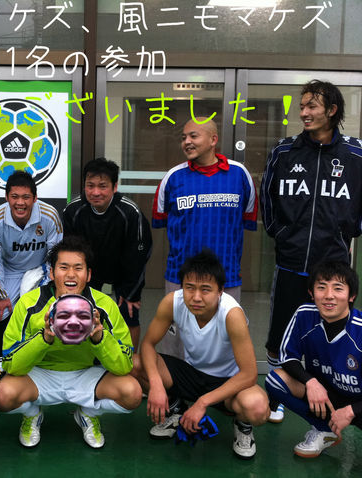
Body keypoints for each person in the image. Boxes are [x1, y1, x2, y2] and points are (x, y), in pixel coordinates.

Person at [260, 80, 362, 422]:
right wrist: (281, 233)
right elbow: (267, 198)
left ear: (331, 110)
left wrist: (348, 231)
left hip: (333, 268)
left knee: (333, 337)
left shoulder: (355, 154)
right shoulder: (284, 151)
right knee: (278, 336)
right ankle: (276, 397)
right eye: (302, 106)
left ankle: (334, 397)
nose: (304, 112)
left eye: (311, 106)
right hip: (291, 263)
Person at [0, 236, 141, 449]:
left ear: (88, 274)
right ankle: (32, 414)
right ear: (52, 273)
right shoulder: (29, 303)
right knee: (3, 396)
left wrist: (99, 339)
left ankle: (89, 414)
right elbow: (10, 363)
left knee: (132, 393)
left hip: (86, 375)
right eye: (63, 267)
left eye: (78, 268)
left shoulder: (104, 305)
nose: (71, 274)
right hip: (41, 375)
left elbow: (125, 365)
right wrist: (44, 338)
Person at [139, 250, 269, 459]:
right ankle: (176, 409)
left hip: (227, 382)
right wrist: (155, 385)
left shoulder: (231, 314)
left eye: (205, 289)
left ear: (220, 291)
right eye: (189, 287)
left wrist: (202, 403)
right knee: (136, 364)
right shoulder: (173, 302)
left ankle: (243, 425)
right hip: (191, 374)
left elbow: (249, 374)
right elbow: (147, 344)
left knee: (258, 408)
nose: (196, 297)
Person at [152, 118, 257, 358]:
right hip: (180, 276)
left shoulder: (240, 175)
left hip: (227, 276)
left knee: (226, 338)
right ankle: (174, 380)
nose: (187, 142)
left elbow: (247, 220)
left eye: (193, 136)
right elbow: (161, 220)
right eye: (183, 137)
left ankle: (222, 381)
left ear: (213, 139)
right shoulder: (173, 177)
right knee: (175, 340)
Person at [266, 261, 362, 458]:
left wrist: (351, 411)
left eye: (338, 288)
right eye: (321, 287)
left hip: (359, 403)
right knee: (276, 380)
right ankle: (324, 430)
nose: (329, 295)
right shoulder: (304, 315)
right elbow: (287, 357)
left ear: (351, 295)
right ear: (311, 293)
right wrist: (310, 382)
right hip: (326, 396)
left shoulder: (359, 328)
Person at [0, 170, 63, 390]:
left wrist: (49, 285)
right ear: (6, 197)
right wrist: (0, 295)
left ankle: (40, 365)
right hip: (10, 271)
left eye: (26, 197)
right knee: (2, 314)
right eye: (15, 197)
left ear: (35, 198)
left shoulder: (49, 215)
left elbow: (55, 255)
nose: (20, 203)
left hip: (41, 269)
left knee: (43, 311)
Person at [63, 158, 152, 349]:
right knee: (82, 313)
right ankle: (88, 357)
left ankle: (128, 358)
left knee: (128, 313)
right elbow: (69, 252)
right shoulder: (73, 210)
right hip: (88, 269)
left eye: (103, 186)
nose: (96, 192)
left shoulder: (130, 212)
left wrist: (132, 292)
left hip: (122, 269)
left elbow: (140, 254)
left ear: (114, 187)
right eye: (90, 186)